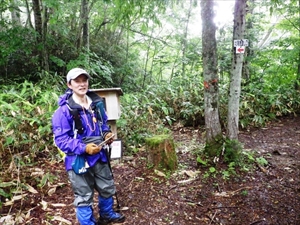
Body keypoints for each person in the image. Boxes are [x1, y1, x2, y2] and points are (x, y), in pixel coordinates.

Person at [52, 68, 125, 225]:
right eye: (77, 81)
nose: (81, 84)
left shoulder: (96, 104)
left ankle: (107, 214)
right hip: (78, 159)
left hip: (100, 154)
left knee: (107, 186)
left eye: (84, 80)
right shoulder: (63, 111)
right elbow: (61, 140)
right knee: (84, 195)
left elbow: (103, 124)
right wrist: (84, 148)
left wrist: (106, 135)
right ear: (69, 85)